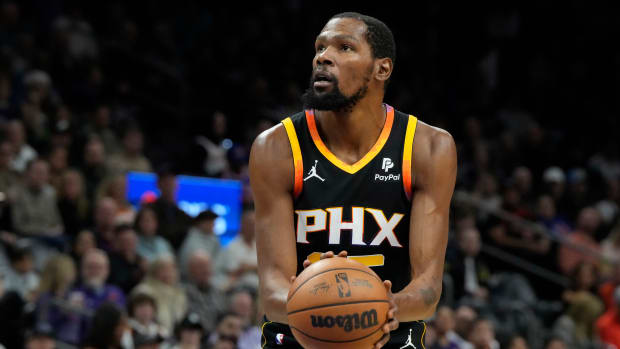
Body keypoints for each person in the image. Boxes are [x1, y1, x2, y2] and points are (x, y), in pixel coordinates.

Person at [249, 12, 456, 348]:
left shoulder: (427, 147)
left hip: (389, 335)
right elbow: (273, 291)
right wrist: (332, 315)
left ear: (382, 68)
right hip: (297, 335)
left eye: (344, 47)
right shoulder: (276, 147)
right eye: (320, 47)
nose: (323, 56)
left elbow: (429, 289)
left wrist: (379, 309)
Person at [213, 209, 258, 292]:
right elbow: (234, 272)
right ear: (243, 225)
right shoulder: (232, 247)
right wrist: (255, 267)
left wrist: (248, 267)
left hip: (259, 288)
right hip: (238, 289)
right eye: (250, 224)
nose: (253, 227)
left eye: (255, 224)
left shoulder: (259, 246)